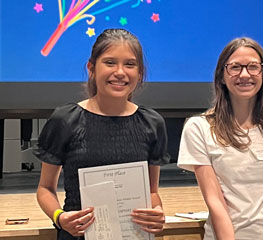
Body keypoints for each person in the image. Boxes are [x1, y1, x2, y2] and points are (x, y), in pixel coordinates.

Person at [34, 28, 170, 240]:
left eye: (130, 64)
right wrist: (60, 217)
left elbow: (152, 193)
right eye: (109, 62)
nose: (120, 72)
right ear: (91, 68)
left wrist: (156, 212)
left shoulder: (152, 123)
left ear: (140, 73)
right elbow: (45, 188)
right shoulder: (65, 119)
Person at [177, 37, 263, 240]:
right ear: (221, 76)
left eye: (253, 67)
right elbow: (215, 201)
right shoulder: (199, 127)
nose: (244, 74)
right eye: (235, 67)